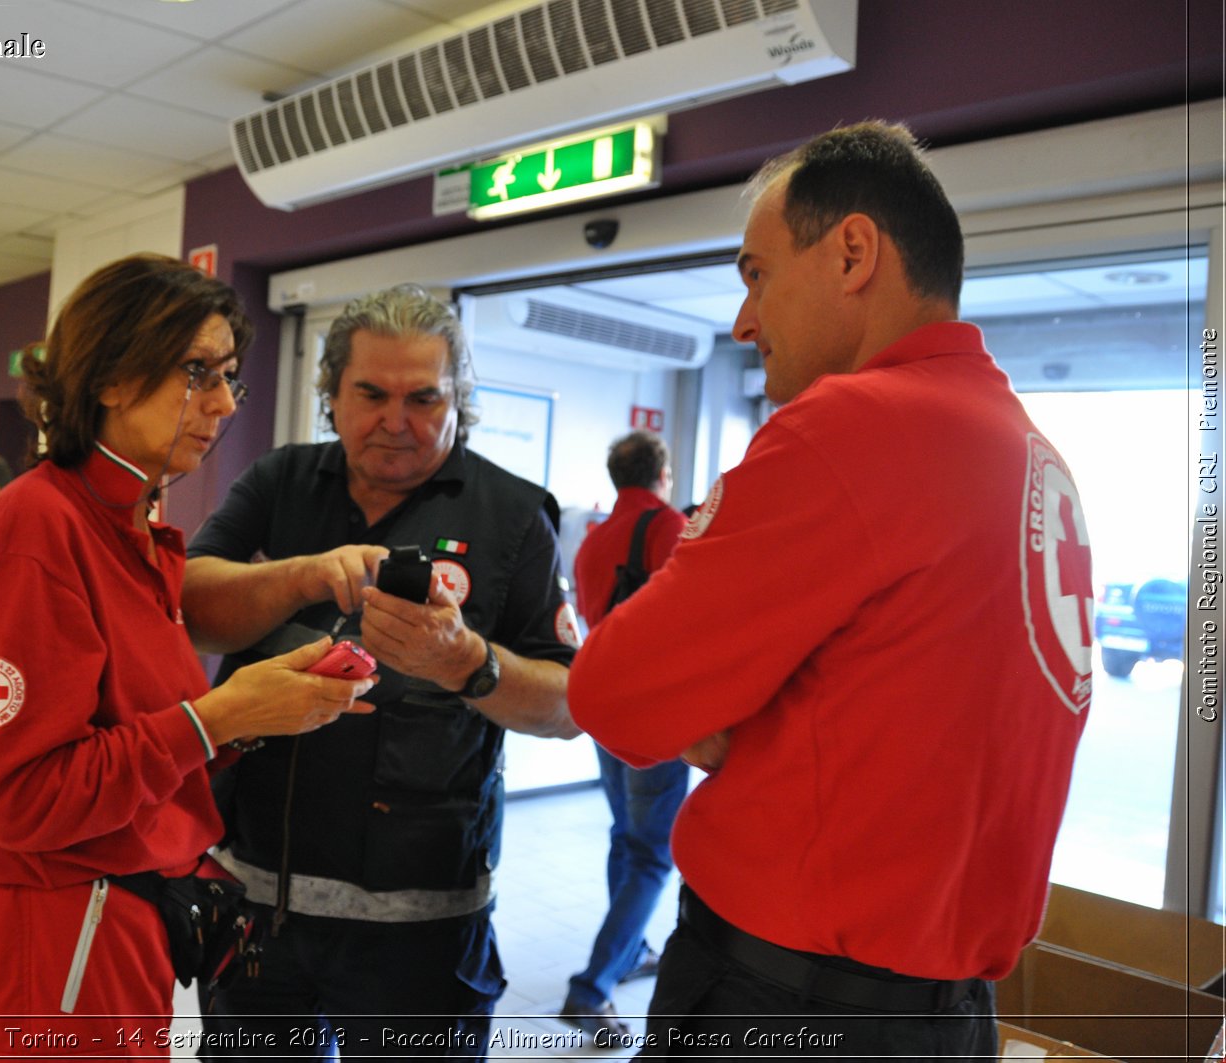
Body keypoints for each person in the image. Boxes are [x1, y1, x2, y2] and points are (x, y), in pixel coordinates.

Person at [570, 121, 1093, 1059]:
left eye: (756, 275)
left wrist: (736, 715)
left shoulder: (851, 425)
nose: (744, 321)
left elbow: (612, 692)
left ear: (852, 252)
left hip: (785, 999)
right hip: (945, 1013)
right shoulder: (1033, 457)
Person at [0, 254, 377, 1058]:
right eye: (196, 371)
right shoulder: (38, 528)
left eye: (231, 378)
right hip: (52, 931)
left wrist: (268, 707)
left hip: (122, 925)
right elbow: (26, 798)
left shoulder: (133, 532)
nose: (221, 404)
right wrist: (219, 716)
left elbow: (135, 727)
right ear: (108, 374)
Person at [184, 283, 580, 1060]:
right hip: (260, 902)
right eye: (370, 394)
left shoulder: (514, 514)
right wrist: (299, 576)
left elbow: (570, 705)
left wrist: (471, 663)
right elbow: (191, 603)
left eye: (425, 398)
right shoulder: (280, 480)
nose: (397, 421)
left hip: (422, 925)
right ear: (330, 394)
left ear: (460, 400)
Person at [558, 430, 688, 1040]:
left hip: (602, 708)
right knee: (652, 855)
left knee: (626, 837)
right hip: (653, 713)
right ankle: (593, 988)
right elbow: (691, 614)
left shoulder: (592, 540)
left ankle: (631, 950)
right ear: (660, 475)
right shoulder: (668, 527)